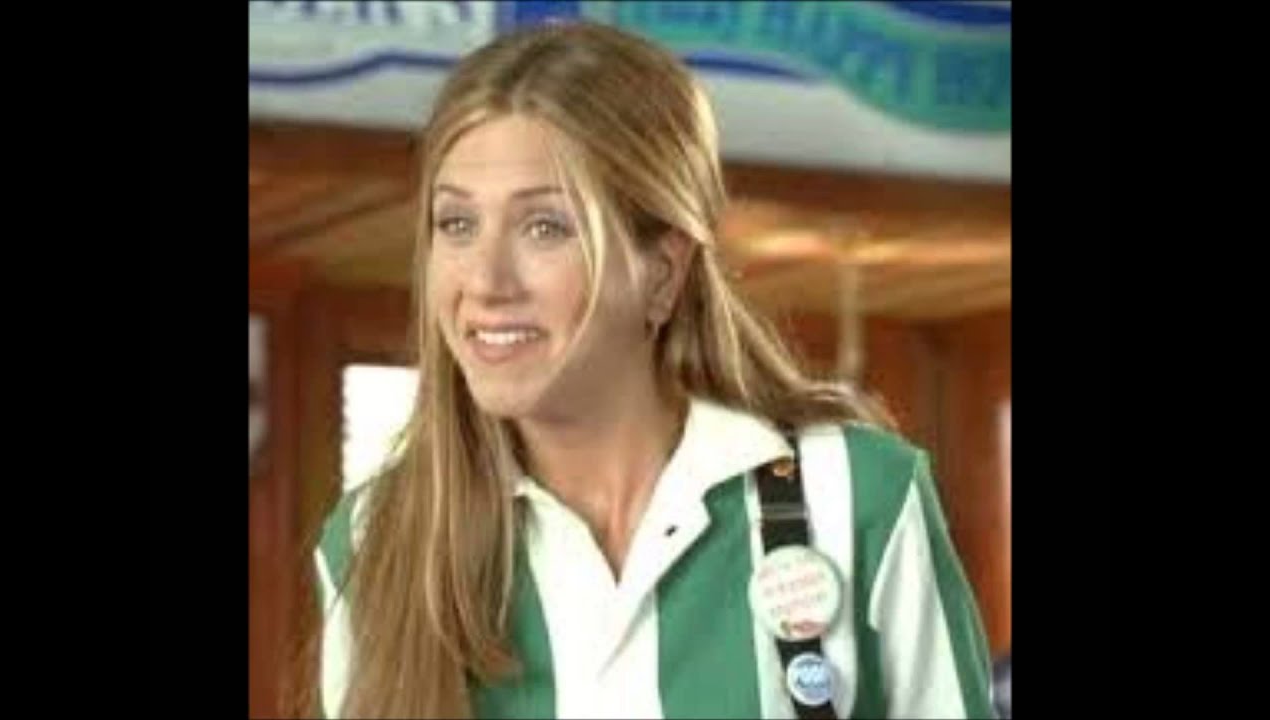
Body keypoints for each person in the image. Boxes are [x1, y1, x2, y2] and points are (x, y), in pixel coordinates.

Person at [313, 20, 994, 719]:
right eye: (457, 224)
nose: (485, 282)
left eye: (546, 227)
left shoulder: (855, 496)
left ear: (662, 273)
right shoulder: (372, 544)